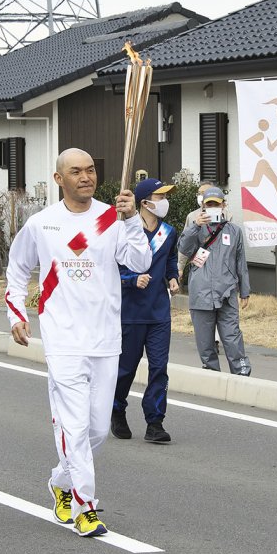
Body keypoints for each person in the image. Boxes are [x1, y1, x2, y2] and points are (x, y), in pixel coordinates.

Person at [5, 148, 151, 538]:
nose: (86, 177)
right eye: (76, 171)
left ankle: (61, 482)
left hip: (105, 338)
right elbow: (17, 269)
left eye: (90, 170)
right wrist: (16, 313)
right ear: (59, 179)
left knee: (98, 430)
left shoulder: (112, 218)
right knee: (74, 423)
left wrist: (133, 219)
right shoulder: (41, 224)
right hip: (63, 339)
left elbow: (140, 263)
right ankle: (86, 507)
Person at [111, 178, 179, 443]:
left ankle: (155, 422)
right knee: (125, 369)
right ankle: (117, 410)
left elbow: (170, 258)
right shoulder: (122, 231)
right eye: (159, 196)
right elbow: (110, 270)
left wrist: (172, 277)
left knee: (159, 368)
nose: (164, 201)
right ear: (144, 202)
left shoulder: (169, 232)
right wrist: (131, 279)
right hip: (130, 312)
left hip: (159, 312)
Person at [178, 186, 252, 375]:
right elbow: (184, 249)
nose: (213, 208)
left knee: (232, 336)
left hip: (226, 292)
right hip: (201, 292)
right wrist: (195, 226)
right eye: (209, 204)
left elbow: (240, 262)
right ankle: (211, 374)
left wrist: (244, 291)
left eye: (216, 205)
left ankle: (242, 372)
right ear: (203, 206)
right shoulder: (195, 228)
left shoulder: (234, 231)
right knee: (205, 341)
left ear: (223, 205)